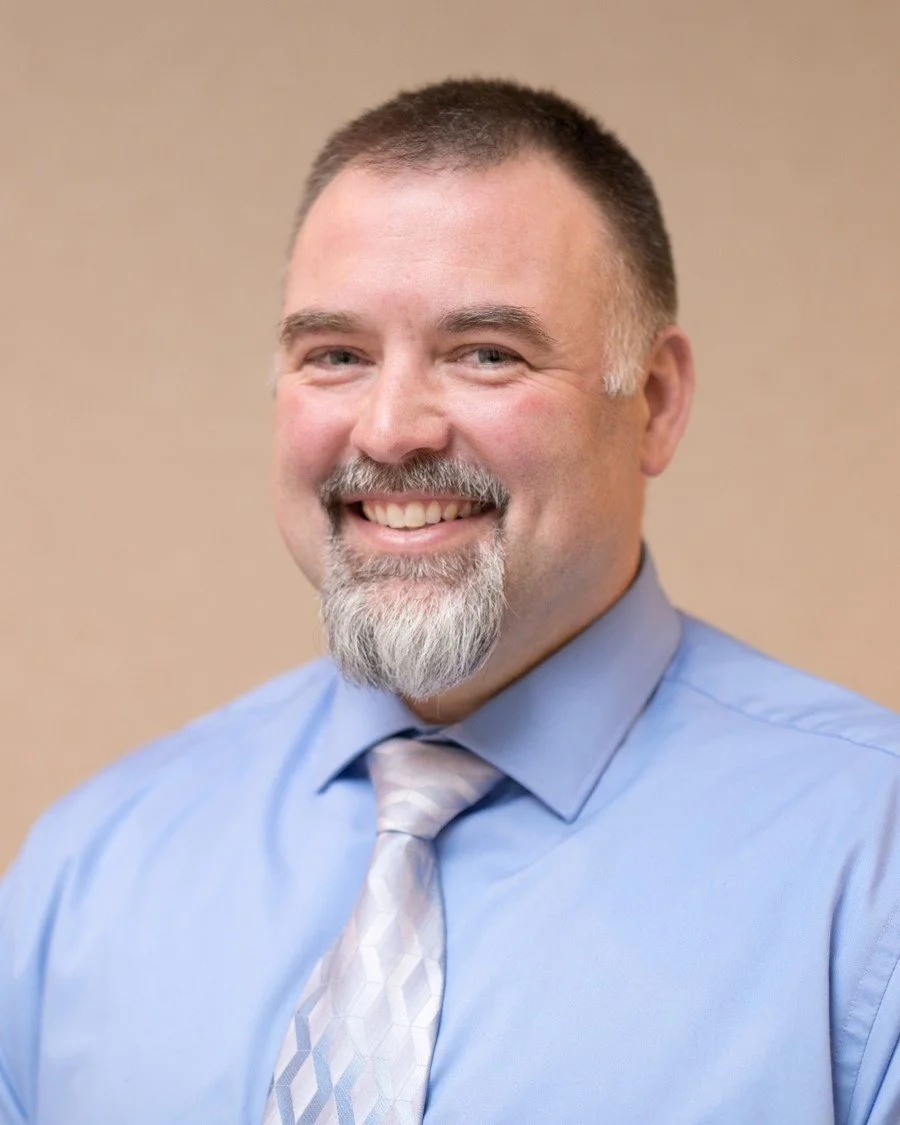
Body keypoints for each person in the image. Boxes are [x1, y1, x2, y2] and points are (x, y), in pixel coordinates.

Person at [1, 78, 898, 1125]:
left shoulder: (871, 867)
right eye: (336, 355)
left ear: (653, 402)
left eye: (485, 354)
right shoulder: (86, 873)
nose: (390, 431)